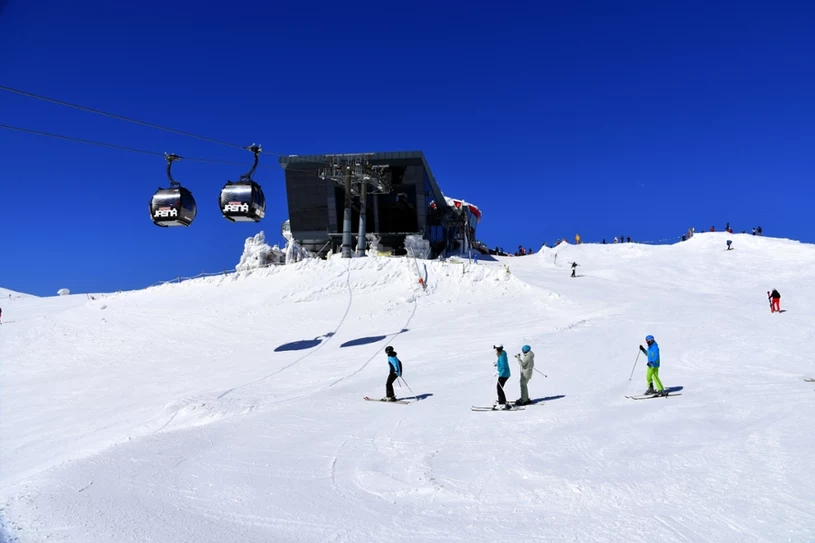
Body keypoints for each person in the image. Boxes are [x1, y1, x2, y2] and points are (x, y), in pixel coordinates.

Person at [493, 344, 511, 409]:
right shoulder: (502, 354)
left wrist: (499, 372)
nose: (495, 350)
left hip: (504, 374)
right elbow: (501, 363)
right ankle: (502, 400)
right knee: (499, 387)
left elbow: (503, 366)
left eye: (496, 349)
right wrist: (497, 364)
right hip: (504, 373)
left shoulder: (502, 356)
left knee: (499, 387)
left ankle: (502, 402)